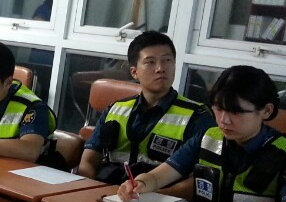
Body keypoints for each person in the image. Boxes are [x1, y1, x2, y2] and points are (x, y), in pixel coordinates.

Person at [117, 65, 286, 202]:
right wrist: (139, 184)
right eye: (218, 108)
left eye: (236, 112)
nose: (224, 120)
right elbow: (158, 176)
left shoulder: (283, 152)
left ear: (266, 111)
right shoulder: (208, 137)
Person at [78, 31, 214, 185]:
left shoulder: (197, 117)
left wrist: (150, 192)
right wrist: (88, 189)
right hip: (107, 189)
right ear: (134, 72)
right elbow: (88, 162)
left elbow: (200, 181)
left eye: (167, 60)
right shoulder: (115, 109)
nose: (160, 68)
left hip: (160, 195)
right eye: (150, 62)